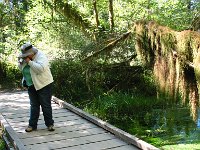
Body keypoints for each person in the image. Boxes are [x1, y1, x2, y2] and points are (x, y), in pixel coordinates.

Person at [18, 42, 55, 132]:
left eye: (26, 55)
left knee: (45, 105)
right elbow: (21, 69)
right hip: (31, 85)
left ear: (31, 53)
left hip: (44, 84)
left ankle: (50, 124)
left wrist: (29, 62)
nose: (24, 57)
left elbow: (40, 69)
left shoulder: (41, 56)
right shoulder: (25, 58)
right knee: (34, 106)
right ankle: (32, 125)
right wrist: (21, 62)